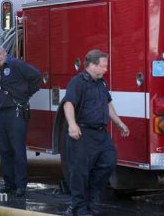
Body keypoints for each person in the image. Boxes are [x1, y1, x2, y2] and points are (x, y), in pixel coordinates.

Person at [61, 49, 130, 216]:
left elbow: (107, 104)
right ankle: (79, 208)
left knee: (109, 162)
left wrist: (119, 123)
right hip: (83, 133)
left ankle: (90, 199)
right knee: (80, 172)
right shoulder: (77, 82)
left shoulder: (101, 83)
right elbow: (68, 103)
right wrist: (72, 125)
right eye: (103, 66)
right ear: (91, 65)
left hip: (100, 133)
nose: (106, 69)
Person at [0, 45, 41, 198]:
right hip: (4, 112)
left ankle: (21, 186)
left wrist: (25, 95)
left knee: (18, 150)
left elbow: (36, 76)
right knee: (4, 150)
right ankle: (9, 184)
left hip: (16, 111)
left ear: (5, 53)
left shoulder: (16, 64)